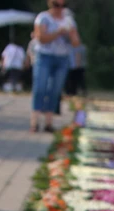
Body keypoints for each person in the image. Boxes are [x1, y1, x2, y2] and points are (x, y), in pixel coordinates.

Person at [31, 0, 78, 132]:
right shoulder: (43, 18)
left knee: (55, 90)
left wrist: (69, 35)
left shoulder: (69, 21)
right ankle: (35, 121)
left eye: (63, 5)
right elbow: (41, 38)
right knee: (40, 87)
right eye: (56, 5)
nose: (60, 8)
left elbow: (76, 42)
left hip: (62, 58)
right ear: (50, 4)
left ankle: (48, 122)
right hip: (44, 56)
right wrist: (58, 32)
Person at [65, 40, 87, 104]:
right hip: (73, 66)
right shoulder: (81, 47)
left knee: (76, 81)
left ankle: (74, 92)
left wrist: (77, 66)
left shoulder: (78, 47)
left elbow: (78, 56)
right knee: (76, 81)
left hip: (75, 67)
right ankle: (73, 92)